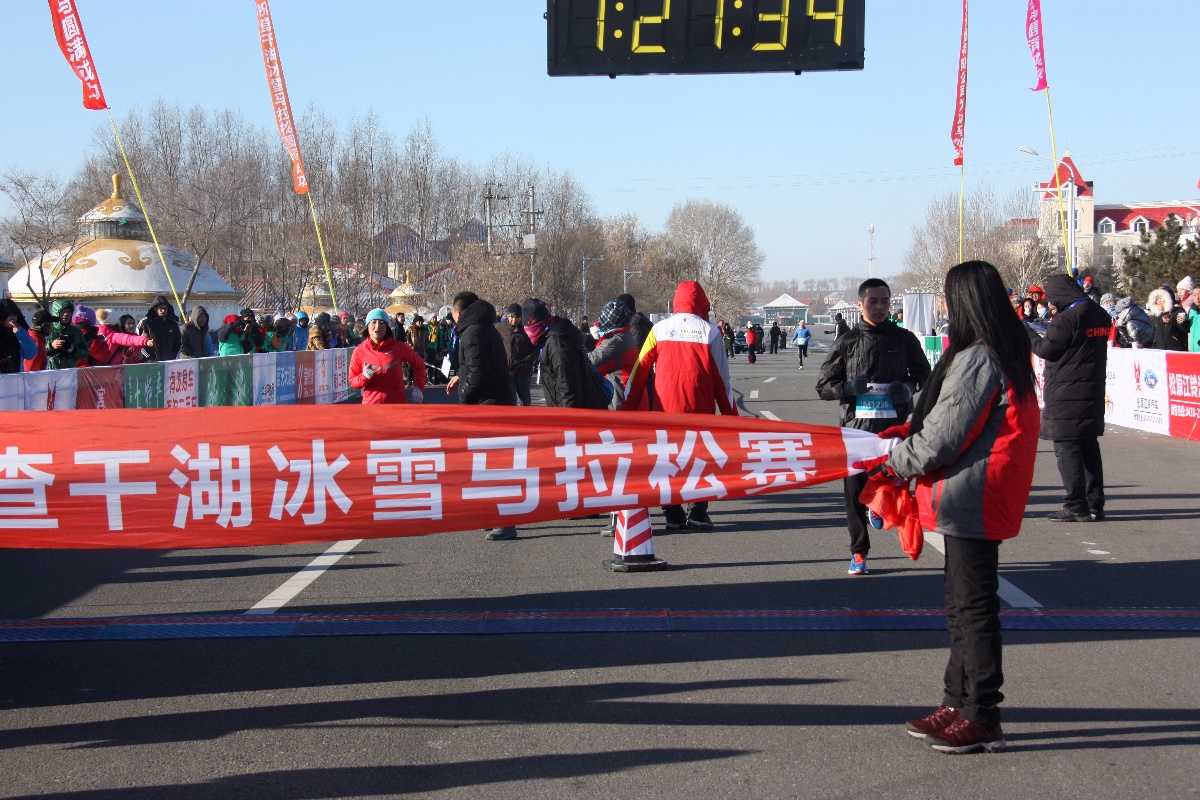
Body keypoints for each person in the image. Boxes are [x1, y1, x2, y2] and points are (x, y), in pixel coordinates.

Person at [869, 260, 1040, 754]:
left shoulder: (979, 357)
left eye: (947, 296)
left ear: (964, 300)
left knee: (973, 609)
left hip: (972, 493)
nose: (943, 305)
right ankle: (956, 700)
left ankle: (983, 713)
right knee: (962, 606)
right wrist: (907, 441)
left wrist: (896, 462)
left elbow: (945, 433)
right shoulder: (999, 350)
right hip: (974, 491)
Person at [817, 278, 931, 575]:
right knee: (853, 493)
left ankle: (878, 504)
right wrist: (847, 388)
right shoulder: (847, 342)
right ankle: (858, 553)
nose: (879, 307)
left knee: (892, 481)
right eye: (873, 302)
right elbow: (823, 386)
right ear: (860, 305)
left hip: (892, 429)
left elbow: (924, 375)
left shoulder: (904, 339)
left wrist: (907, 388)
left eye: (884, 302)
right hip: (855, 430)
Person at [625, 280, 736, 530]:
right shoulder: (711, 332)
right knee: (699, 460)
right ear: (702, 303)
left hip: (665, 411)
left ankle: (672, 513)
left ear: (677, 301)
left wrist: (627, 410)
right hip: (701, 410)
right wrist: (733, 418)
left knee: (667, 460)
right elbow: (722, 381)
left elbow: (639, 372)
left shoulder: (659, 330)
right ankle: (698, 511)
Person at [1028, 273, 1113, 522]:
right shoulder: (1098, 313)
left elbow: (1047, 350)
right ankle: (1095, 502)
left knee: (1067, 448)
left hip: (1068, 391)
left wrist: (1028, 333)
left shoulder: (1068, 318)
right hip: (1091, 390)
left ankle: (1075, 504)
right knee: (1088, 447)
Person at [446, 291, 516, 541]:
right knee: (489, 465)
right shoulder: (486, 329)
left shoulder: (471, 332)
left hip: (487, 407)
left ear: (458, 313)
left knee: (494, 465)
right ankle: (494, 516)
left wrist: (464, 393)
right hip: (495, 402)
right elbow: (477, 368)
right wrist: (460, 377)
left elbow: (478, 373)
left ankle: (504, 521)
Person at [524, 298, 607, 410]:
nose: (526, 330)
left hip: (575, 414)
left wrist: (566, 419)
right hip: (573, 408)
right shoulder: (553, 335)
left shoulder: (557, 344)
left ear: (532, 322)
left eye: (526, 326)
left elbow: (568, 388)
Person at [349, 308, 426, 405]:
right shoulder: (359, 351)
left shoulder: (398, 347)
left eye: (382, 323)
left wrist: (418, 387)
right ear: (367, 326)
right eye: (373, 322)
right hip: (371, 408)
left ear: (387, 327)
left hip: (397, 407)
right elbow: (353, 382)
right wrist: (364, 376)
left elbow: (419, 364)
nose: (377, 326)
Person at [589, 298, 645, 410]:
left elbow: (590, 361)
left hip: (618, 399)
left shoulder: (616, 341)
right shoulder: (625, 335)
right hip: (625, 394)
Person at [495, 304, 533, 406]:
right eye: (511, 317)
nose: (514, 320)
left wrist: (528, 360)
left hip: (523, 370)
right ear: (507, 316)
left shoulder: (526, 329)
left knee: (524, 401)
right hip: (507, 370)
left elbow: (534, 348)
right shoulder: (500, 328)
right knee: (510, 401)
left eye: (517, 317)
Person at [46, 299, 89, 370]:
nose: (66, 314)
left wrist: (74, 350)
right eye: (63, 311)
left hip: (70, 372)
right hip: (51, 372)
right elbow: (36, 352)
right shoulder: (48, 330)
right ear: (57, 312)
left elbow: (85, 353)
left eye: (69, 311)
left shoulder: (76, 331)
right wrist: (51, 346)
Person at [0, 299, 37, 374]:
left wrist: (20, 332)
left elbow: (30, 353)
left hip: (15, 377)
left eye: (14, 314)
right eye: (9, 314)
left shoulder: (19, 333)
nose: (12, 317)